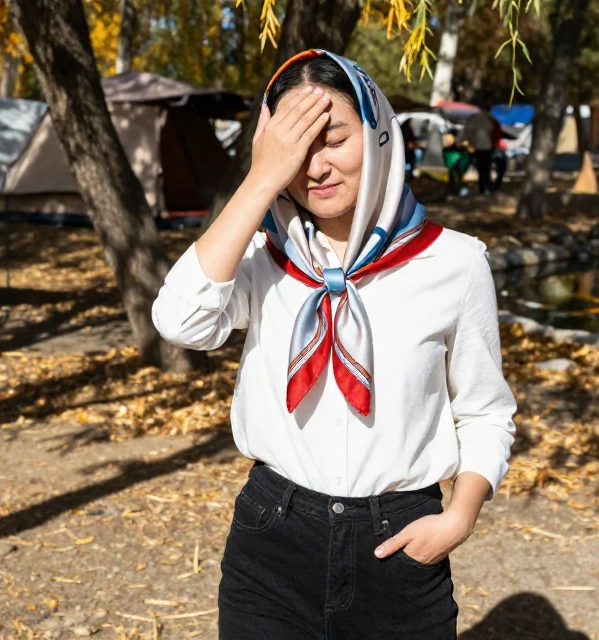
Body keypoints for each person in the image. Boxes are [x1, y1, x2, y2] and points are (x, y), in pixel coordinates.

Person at [151, 50, 517, 640]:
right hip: (272, 539)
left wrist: (458, 517)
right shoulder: (260, 257)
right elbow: (180, 321)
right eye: (296, 149)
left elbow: (485, 411)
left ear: (377, 134)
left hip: (399, 545)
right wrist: (260, 180)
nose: (316, 167)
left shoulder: (454, 262)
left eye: (336, 139)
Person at [462, 104, 498, 195]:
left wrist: (471, 142)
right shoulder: (490, 119)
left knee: (481, 168)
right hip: (488, 147)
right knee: (487, 168)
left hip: (478, 147)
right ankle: (487, 188)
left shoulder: (475, 119)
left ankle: (483, 188)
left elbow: (468, 132)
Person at [443, 130, 471, 198]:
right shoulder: (447, 150)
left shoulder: (460, 149)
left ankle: (460, 190)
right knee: (453, 176)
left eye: (449, 138)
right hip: (453, 164)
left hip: (457, 164)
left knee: (456, 176)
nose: (447, 140)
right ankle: (454, 191)